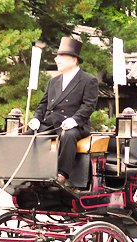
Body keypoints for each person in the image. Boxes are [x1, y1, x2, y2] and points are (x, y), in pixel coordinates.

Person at [26, 37, 98, 185]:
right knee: (25, 136)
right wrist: (36, 118)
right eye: (57, 56)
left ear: (74, 60)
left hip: (75, 125)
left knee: (69, 136)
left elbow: (89, 105)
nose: (57, 60)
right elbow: (43, 103)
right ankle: (27, 172)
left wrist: (75, 120)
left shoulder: (88, 80)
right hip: (50, 124)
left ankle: (62, 174)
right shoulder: (53, 81)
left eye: (61, 57)